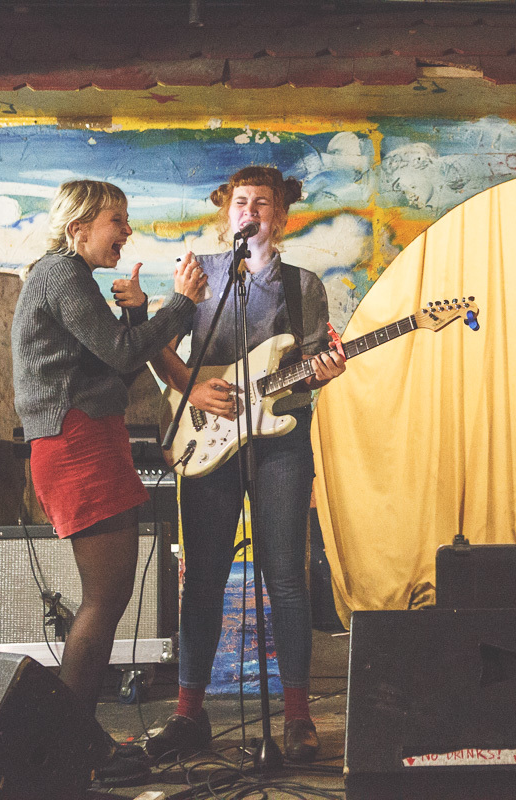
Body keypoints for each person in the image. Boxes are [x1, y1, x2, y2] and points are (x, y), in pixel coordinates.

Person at [147, 166, 346, 763]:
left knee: (286, 575)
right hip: (207, 440)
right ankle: (188, 714)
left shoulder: (303, 285)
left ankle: (297, 718)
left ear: (280, 217)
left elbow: (309, 364)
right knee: (203, 576)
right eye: (241, 202)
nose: (250, 212)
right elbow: (156, 347)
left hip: (279, 439)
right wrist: (193, 388)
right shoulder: (198, 274)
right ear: (226, 212)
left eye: (263, 203)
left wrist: (326, 371)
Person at [11, 180, 207, 782]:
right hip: (76, 445)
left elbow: (111, 359)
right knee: (105, 599)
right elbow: (123, 357)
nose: (125, 230)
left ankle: (78, 740)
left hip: (86, 439)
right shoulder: (62, 274)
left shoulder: (68, 279)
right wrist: (181, 305)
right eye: (115, 219)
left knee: (109, 597)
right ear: (78, 228)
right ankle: (68, 750)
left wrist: (136, 312)